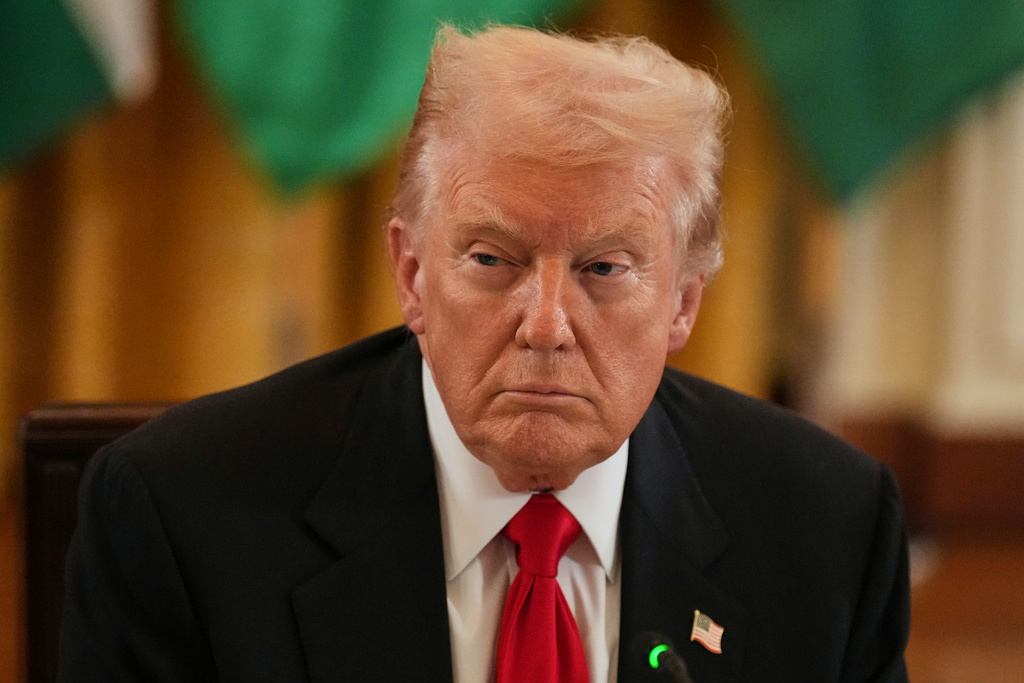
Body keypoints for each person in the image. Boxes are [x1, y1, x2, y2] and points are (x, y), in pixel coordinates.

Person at [59, 24, 910, 683]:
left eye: (604, 268)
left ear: (683, 301)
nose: (545, 324)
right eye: (492, 260)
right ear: (412, 272)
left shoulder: (825, 527)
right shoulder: (183, 517)